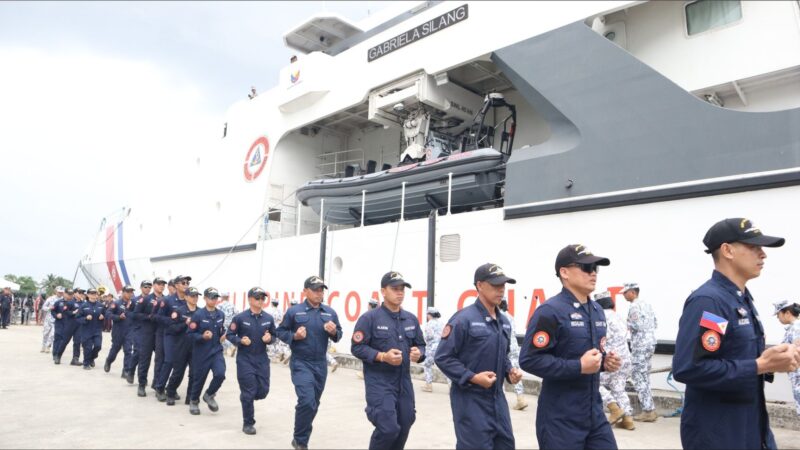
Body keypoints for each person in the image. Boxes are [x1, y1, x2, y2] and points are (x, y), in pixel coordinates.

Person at [673, 218, 800, 450]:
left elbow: (736, 354)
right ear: (727, 250)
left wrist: (774, 359)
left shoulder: (741, 299)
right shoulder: (710, 301)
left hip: (751, 425)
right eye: (754, 247)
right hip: (719, 433)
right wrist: (759, 365)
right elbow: (690, 367)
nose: (763, 255)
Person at [519, 245, 622, 449]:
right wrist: (579, 366)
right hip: (560, 417)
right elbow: (529, 359)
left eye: (595, 268)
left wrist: (604, 362)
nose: (593, 273)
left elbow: (588, 355)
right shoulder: (550, 311)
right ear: (564, 272)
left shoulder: (597, 311)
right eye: (586, 267)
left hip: (594, 412)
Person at [435, 263, 523, 449]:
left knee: (506, 445)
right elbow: (443, 357)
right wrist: (473, 378)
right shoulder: (463, 319)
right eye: (495, 285)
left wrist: (509, 371)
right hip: (470, 399)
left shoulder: (504, 322)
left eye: (503, 286)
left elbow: (502, 355)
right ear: (480, 285)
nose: (501, 290)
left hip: (497, 398)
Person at [351, 271, 425, 450]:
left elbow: (421, 346)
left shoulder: (411, 319)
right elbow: (357, 347)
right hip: (380, 381)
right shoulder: (370, 318)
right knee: (388, 428)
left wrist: (418, 354)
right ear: (383, 291)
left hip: (404, 382)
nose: (400, 293)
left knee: (406, 423)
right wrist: (383, 356)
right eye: (395, 289)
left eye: (402, 289)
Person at [276, 276, 342, 450]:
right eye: (315, 290)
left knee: (314, 403)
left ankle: (299, 436)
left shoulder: (329, 312)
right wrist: (294, 337)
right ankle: (300, 440)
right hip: (301, 362)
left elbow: (339, 334)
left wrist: (334, 331)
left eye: (321, 290)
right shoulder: (294, 311)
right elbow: (280, 331)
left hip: (320, 364)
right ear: (305, 291)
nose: (319, 293)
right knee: (306, 400)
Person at [226, 287, 275, 435]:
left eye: (262, 298)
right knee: (249, 392)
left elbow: (274, 335)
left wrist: (270, 339)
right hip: (245, 359)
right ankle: (248, 423)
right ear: (250, 299)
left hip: (261, 359)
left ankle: (247, 396)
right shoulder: (240, 318)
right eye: (257, 298)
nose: (260, 301)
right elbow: (229, 334)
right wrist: (240, 341)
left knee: (263, 391)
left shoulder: (268, 318)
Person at [595, 291, 635, 430]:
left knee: (593, 383)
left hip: (611, 359)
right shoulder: (618, 316)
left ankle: (613, 408)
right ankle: (628, 419)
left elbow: (600, 339)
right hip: (625, 358)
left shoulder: (601, 317)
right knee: (618, 387)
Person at [621, 282, 658, 422]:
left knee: (638, 376)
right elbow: (655, 322)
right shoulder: (647, 304)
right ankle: (650, 409)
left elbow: (637, 325)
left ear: (633, 292)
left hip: (640, 345)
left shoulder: (634, 306)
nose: (624, 295)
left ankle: (648, 410)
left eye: (626, 292)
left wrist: (627, 323)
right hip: (650, 343)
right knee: (645, 376)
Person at [187, 287, 227, 415]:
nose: (214, 300)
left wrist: (222, 337)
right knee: (199, 378)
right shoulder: (198, 315)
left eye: (216, 297)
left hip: (216, 351)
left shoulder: (221, 314)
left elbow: (221, 331)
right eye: (211, 297)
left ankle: (209, 394)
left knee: (220, 374)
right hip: (201, 352)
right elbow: (190, 334)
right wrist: (202, 337)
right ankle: (194, 401)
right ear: (204, 298)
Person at [165, 286, 200, 406]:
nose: (195, 298)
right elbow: (171, 328)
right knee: (178, 372)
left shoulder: (200, 312)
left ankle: (190, 397)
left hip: (195, 347)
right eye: (192, 296)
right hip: (181, 345)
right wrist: (185, 324)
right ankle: (170, 393)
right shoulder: (179, 311)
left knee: (194, 373)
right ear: (186, 297)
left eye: (196, 296)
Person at [154, 276, 187, 402]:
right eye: (183, 282)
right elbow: (157, 317)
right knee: (169, 361)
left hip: (184, 336)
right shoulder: (167, 300)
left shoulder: (189, 300)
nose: (186, 284)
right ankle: (160, 388)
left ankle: (171, 388)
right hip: (170, 335)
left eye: (187, 283)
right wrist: (174, 321)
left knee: (180, 365)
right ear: (176, 285)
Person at [498, 298, 528, 411]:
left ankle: (501, 400)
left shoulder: (497, 315)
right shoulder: (510, 316)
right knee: (514, 372)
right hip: (514, 346)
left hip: (504, 346)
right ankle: (520, 398)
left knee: (498, 370)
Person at [773, 300, 800, 416]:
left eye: (778, 315)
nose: (778, 318)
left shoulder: (796, 328)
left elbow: (797, 349)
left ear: (787, 313)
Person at [132, 280, 157, 397]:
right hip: (145, 332)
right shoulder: (143, 300)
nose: (147, 289)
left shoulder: (164, 299)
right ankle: (142, 384)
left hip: (159, 334)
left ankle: (157, 384)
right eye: (145, 287)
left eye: (149, 287)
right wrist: (148, 317)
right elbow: (135, 314)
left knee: (161, 361)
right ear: (141, 288)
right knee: (144, 360)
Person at [104, 285, 135, 378]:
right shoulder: (116, 303)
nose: (130, 294)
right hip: (118, 331)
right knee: (115, 349)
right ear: (123, 292)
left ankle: (126, 370)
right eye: (128, 292)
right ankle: (109, 361)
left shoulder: (134, 304)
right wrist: (118, 317)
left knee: (128, 350)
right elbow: (108, 314)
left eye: (131, 292)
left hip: (129, 331)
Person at [76, 288, 105, 369]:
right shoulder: (83, 306)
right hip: (86, 330)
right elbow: (77, 318)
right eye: (91, 294)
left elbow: (106, 315)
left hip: (97, 330)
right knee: (87, 348)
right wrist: (85, 318)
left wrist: (103, 317)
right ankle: (86, 364)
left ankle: (91, 358)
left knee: (98, 346)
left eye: (95, 294)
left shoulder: (100, 305)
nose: (93, 295)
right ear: (88, 295)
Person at [421, 307, 443, 392]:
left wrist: (424, 338)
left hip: (432, 348)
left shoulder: (429, 324)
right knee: (444, 367)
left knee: (427, 365)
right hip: (441, 347)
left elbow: (429, 336)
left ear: (429, 315)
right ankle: (451, 385)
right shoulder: (441, 323)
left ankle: (428, 385)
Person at [51, 288, 75, 364]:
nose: (70, 296)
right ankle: (55, 354)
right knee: (58, 338)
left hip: (69, 324)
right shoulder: (58, 302)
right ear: (64, 294)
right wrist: (56, 315)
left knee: (64, 340)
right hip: (60, 323)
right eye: (68, 294)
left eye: (71, 294)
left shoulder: (74, 303)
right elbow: (53, 310)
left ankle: (59, 353)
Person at [267, 296, 290, 363]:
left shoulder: (269, 311)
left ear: (271, 303)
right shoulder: (281, 311)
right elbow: (282, 320)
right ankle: (281, 354)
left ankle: (272, 357)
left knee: (271, 343)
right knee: (277, 343)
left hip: (271, 327)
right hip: (278, 327)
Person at [41, 287, 63, 353]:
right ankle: (43, 346)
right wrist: (49, 308)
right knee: (45, 333)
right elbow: (43, 307)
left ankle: (48, 346)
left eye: (61, 292)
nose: (60, 293)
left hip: (56, 319)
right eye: (59, 292)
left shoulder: (63, 300)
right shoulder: (50, 299)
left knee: (52, 334)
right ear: (56, 291)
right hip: (48, 318)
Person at [217, 292, 238, 357]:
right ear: (228, 297)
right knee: (228, 335)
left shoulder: (219, 305)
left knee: (222, 336)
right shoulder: (232, 305)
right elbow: (237, 313)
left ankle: (230, 347)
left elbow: (217, 314)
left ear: (222, 297)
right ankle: (226, 350)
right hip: (230, 322)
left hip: (222, 322)